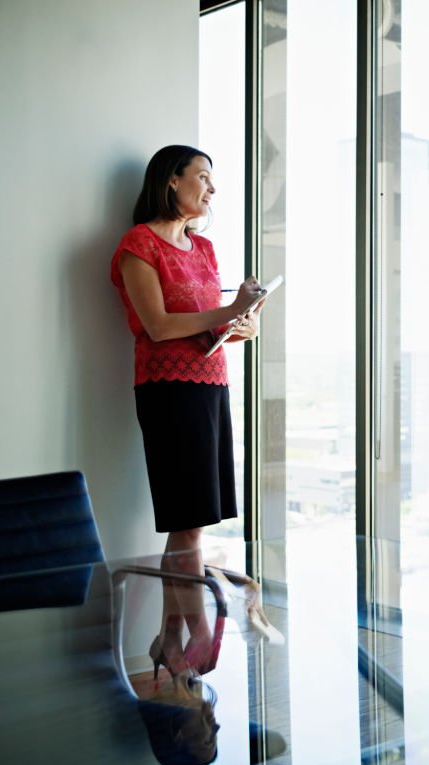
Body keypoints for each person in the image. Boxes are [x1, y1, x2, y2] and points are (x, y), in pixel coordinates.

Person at [111, 145, 264, 678]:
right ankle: (197, 632)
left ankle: (169, 638)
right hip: (167, 389)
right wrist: (225, 310)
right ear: (170, 182)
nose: (212, 189)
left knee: (192, 524)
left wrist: (242, 321)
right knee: (189, 524)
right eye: (202, 177)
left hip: (210, 386)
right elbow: (157, 325)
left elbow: (210, 325)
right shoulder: (138, 245)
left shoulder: (203, 248)